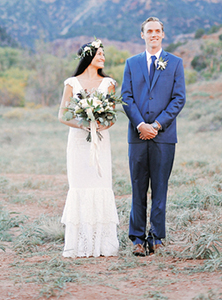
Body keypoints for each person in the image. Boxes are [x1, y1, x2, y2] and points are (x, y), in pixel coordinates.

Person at [121, 17, 186, 256]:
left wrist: (157, 125)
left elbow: (179, 98)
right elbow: (126, 97)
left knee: (160, 187)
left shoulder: (175, 63)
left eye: (158, 31)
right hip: (137, 136)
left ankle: (157, 237)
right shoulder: (131, 63)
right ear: (142, 35)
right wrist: (140, 124)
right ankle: (137, 239)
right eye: (149, 31)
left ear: (163, 34)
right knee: (138, 188)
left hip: (164, 137)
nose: (154, 34)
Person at [57, 39, 119, 258]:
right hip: (77, 142)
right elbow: (62, 115)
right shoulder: (72, 83)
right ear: (88, 56)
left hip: (100, 141)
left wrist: (100, 124)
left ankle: (102, 244)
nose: (103, 57)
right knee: (79, 186)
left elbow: (112, 116)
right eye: (99, 53)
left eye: (103, 53)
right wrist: (84, 123)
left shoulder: (109, 83)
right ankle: (80, 244)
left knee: (101, 184)